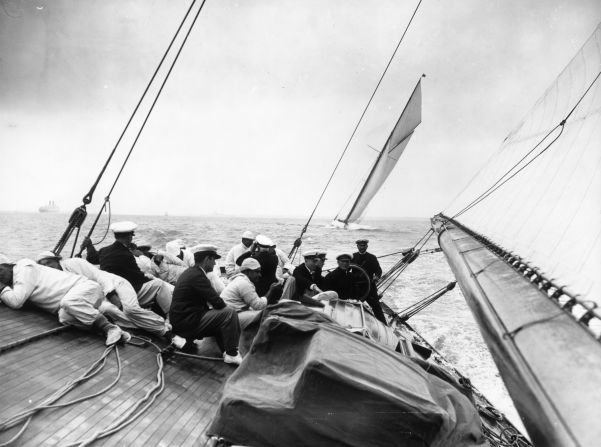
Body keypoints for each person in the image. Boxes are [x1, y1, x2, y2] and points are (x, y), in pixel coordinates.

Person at [36, 251, 171, 337]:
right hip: (98, 296)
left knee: (129, 309)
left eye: (49, 262)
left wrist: (112, 295)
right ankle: (141, 327)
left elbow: (99, 275)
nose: (48, 267)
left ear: (57, 260)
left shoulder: (74, 263)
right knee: (66, 317)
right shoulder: (55, 278)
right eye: (44, 266)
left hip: (114, 284)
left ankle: (164, 329)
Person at [0, 260, 129, 346]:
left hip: (85, 288)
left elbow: (16, 302)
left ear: (6, 266)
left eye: (0, 273)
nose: (1, 278)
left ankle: (109, 328)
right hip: (76, 300)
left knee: (68, 302)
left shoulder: (24, 268)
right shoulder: (18, 279)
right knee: (64, 317)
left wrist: (1, 288)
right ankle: (113, 331)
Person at [82, 221, 173, 317]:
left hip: (111, 292)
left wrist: (89, 245)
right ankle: (171, 315)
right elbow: (138, 278)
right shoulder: (126, 254)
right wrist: (149, 279)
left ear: (115, 236)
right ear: (129, 237)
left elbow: (92, 258)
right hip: (126, 293)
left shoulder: (104, 250)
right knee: (159, 284)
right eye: (131, 236)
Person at [169, 245, 242, 366]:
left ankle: (226, 350)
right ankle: (232, 354)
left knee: (220, 316)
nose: (214, 264)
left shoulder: (191, 272)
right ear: (207, 259)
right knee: (229, 313)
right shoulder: (198, 276)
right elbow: (218, 302)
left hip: (181, 321)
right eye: (213, 260)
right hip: (186, 323)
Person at [221, 258, 281, 329]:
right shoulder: (244, 283)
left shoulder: (239, 280)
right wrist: (271, 291)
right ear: (247, 272)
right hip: (230, 318)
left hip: (228, 315)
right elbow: (259, 306)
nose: (260, 275)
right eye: (257, 272)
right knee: (267, 317)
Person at [351, 240, 387, 324]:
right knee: (351, 304)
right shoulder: (353, 257)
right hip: (356, 286)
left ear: (367, 246)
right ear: (357, 246)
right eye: (360, 245)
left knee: (376, 307)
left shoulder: (372, 258)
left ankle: (384, 325)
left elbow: (378, 270)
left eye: (364, 245)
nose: (362, 247)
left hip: (369, 285)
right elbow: (347, 269)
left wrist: (376, 276)